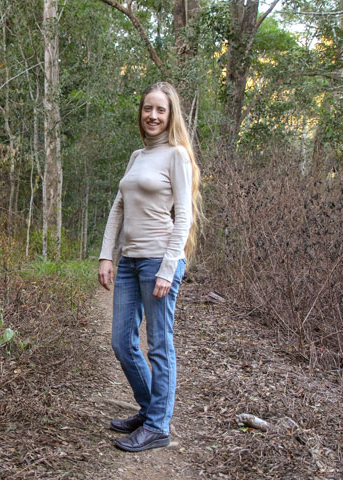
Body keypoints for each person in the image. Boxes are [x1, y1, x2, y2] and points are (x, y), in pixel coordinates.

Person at [97, 81, 202, 452]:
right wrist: (107, 254)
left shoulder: (177, 156)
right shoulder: (136, 157)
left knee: (159, 344)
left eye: (161, 110)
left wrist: (167, 267)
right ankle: (149, 409)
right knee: (122, 342)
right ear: (140, 113)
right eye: (148, 109)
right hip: (129, 262)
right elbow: (118, 208)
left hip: (160, 259)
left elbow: (185, 216)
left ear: (170, 115)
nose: (153, 115)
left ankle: (158, 425)